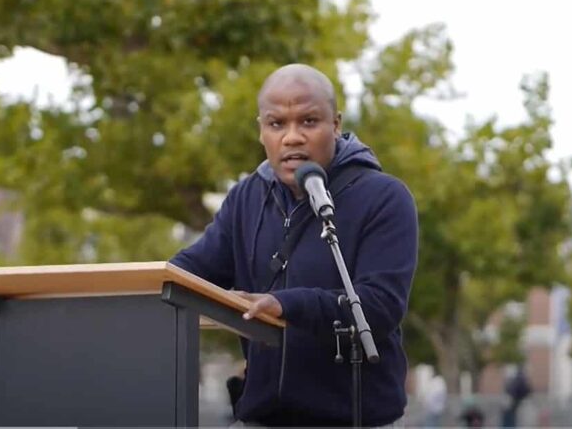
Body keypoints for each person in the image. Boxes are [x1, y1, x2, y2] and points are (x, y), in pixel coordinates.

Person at [170, 63, 418, 426]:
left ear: (335, 124)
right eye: (276, 124)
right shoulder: (246, 198)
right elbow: (192, 270)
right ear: (261, 131)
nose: (292, 137)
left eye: (308, 121)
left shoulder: (384, 197)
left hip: (356, 418)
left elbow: (380, 305)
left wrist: (286, 305)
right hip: (264, 418)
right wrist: (148, 285)